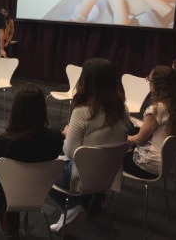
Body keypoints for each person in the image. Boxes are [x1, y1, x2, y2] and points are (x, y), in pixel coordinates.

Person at [0, 83, 63, 239]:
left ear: (16, 109)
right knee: (9, 179)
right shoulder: (55, 138)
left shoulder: (6, 141)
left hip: (7, 192)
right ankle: (10, 227)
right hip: (37, 191)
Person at [48, 57, 129, 235]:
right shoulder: (122, 109)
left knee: (44, 170)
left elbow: (69, 151)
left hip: (82, 175)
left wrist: (68, 133)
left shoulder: (82, 112)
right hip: (108, 173)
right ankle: (93, 203)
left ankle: (73, 208)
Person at [124, 65, 176, 179]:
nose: (148, 81)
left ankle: (97, 193)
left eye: (149, 79)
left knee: (109, 157)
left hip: (147, 165)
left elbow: (138, 139)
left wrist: (120, 137)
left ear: (157, 85)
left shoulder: (157, 109)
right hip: (166, 164)